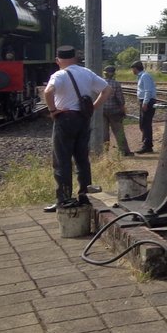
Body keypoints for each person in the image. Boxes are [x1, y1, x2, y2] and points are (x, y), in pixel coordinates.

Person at [43, 45, 111, 212]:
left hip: (65, 119)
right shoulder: (86, 72)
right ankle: (85, 196)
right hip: (83, 118)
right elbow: (107, 89)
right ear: (75, 58)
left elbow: (48, 92)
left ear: (58, 60)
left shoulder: (59, 74)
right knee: (82, 159)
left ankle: (64, 199)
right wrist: (94, 107)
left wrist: (53, 111)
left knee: (62, 161)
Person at [101, 65, 132, 156]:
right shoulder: (116, 84)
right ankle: (124, 151)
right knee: (119, 132)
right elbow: (120, 100)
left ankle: (104, 152)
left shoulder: (100, 82)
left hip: (102, 111)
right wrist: (123, 111)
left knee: (104, 133)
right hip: (114, 111)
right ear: (113, 74)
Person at [132, 60, 157, 153]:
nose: (132, 71)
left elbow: (148, 90)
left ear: (135, 68)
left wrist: (145, 103)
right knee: (143, 124)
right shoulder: (141, 76)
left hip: (148, 102)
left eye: (133, 69)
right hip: (144, 101)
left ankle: (147, 146)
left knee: (145, 124)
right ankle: (147, 144)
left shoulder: (144, 76)